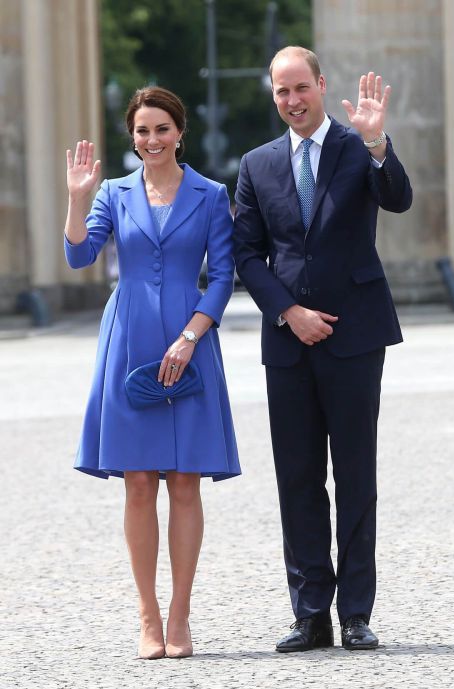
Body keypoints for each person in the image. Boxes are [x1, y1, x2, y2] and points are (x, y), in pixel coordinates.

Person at [233, 47, 412, 653]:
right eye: (281, 92)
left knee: (356, 475)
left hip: (357, 336)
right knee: (298, 478)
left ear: (320, 85)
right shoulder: (256, 165)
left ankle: (356, 613)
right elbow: (246, 254)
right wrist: (289, 312)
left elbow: (398, 198)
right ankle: (311, 612)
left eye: (300, 88)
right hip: (288, 342)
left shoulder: (357, 146)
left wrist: (378, 142)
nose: (291, 101)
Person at [64, 86, 240, 660]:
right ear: (132, 137)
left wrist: (192, 336)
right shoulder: (112, 193)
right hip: (128, 340)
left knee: (185, 480)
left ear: (180, 131)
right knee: (138, 483)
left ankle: (181, 616)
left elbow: (221, 278)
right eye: (142, 131)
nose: (152, 140)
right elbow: (79, 256)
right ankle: (147, 617)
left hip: (190, 341)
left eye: (161, 128)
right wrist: (76, 199)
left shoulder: (212, 195)